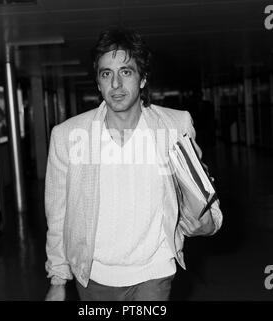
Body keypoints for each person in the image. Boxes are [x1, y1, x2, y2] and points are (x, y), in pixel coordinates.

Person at [44, 27, 223, 301]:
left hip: (155, 269)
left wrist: (211, 219)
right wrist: (58, 279)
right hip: (94, 274)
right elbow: (58, 213)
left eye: (126, 72)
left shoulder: (175, 126)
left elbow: (200, 186)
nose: (116, 84)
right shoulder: (68, 135)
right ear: (98, 82)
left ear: (142, 79)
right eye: (107, 74)